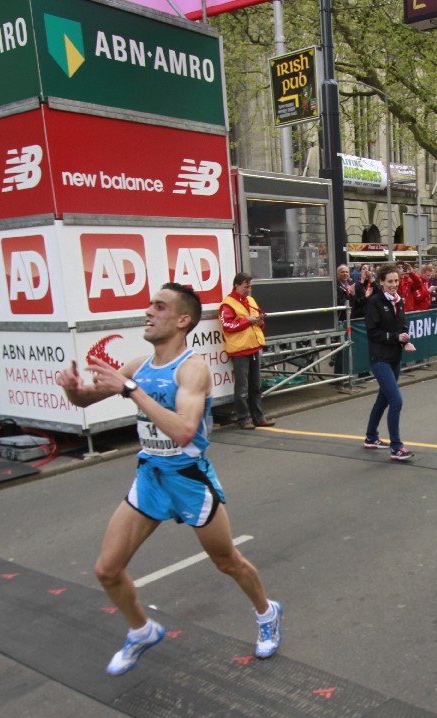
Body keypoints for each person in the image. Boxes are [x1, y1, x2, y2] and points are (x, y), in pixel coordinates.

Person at [55, 283, 283, 675]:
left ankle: (267, 612)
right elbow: (87, 399)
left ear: (182, 320)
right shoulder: (137, 366)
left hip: (189, 479)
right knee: (107, 569)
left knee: (226, 561)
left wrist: (131, 390)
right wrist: (74, 391)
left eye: (159, 307)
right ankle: (141, 630)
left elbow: (183, 431)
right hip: (151, 477)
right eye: (149, 305)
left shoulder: (192, 369)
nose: (148, 312)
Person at [362, 264, 416, 461]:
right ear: (381, 282)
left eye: (396, 281)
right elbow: (372, 332)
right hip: (379, 358)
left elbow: (402, 326)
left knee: (383, 399)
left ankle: (371, 437)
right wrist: (396, 337)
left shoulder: (398, 301)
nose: (394, 285)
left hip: (394, 357)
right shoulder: (374, 302)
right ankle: (396, 447)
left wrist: (406, 340)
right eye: (390, 281)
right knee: (396, 400)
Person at [219, 273, 275, 430]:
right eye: (246, 286)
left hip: (253, 347)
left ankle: (258, 417)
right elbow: (227, 326)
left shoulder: (250, 300)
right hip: (240, 350)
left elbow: (258, 320)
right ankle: (244, 419)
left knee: (255, 386)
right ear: (236, 285)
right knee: (242, 388)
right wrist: (247, 321)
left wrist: (260, 322)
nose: (249, 289)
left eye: (250, 286)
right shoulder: (227, 304)